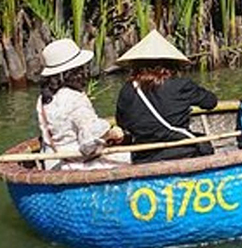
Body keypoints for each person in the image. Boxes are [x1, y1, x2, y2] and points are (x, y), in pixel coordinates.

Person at [115, 30, 219, 163]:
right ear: (171, 63)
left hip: (144, 157)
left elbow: (122, 123)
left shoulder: (126, 91)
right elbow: (211, 102)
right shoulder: (181, 85)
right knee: (203, 144)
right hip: (183, 153)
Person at [35, 39, 127, 170]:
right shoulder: (75, 98)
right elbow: (88, 144)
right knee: (130, 157)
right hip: (76, 163)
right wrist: (110, 134)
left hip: (51, 162)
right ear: (75, 71)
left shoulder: (42, 99)